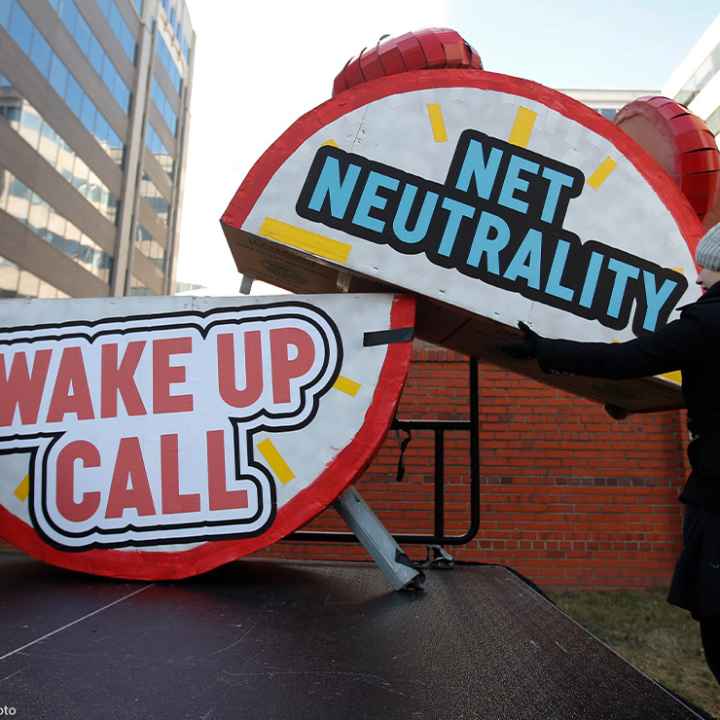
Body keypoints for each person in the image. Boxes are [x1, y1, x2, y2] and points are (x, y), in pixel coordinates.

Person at [502, 222, 720, 684]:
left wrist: (543, 348)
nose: (699, 276)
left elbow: (627, 361)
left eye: (708, 266)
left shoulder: (710, 322)